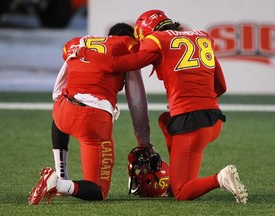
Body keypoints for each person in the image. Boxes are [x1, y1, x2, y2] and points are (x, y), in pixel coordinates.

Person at [75, 9, 249, 204]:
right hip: (214, 120)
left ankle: (220, 178)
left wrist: (84, 52)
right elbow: (221, 86)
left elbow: (117, 65)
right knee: (166, 120)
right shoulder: (202, 36)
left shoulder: (157, 40)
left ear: (145, 33)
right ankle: (175, 179)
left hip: (191, 125)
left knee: (183, 193)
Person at [28, 23, 155, 205]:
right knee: (99, 190)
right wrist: (143, 141)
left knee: (61, 107)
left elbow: (59, 87)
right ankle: (59, 184)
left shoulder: (79, 43)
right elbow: (137, 102)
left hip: (64, 111)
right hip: (93, 119)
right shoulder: (127, 46)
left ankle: (61, 171)